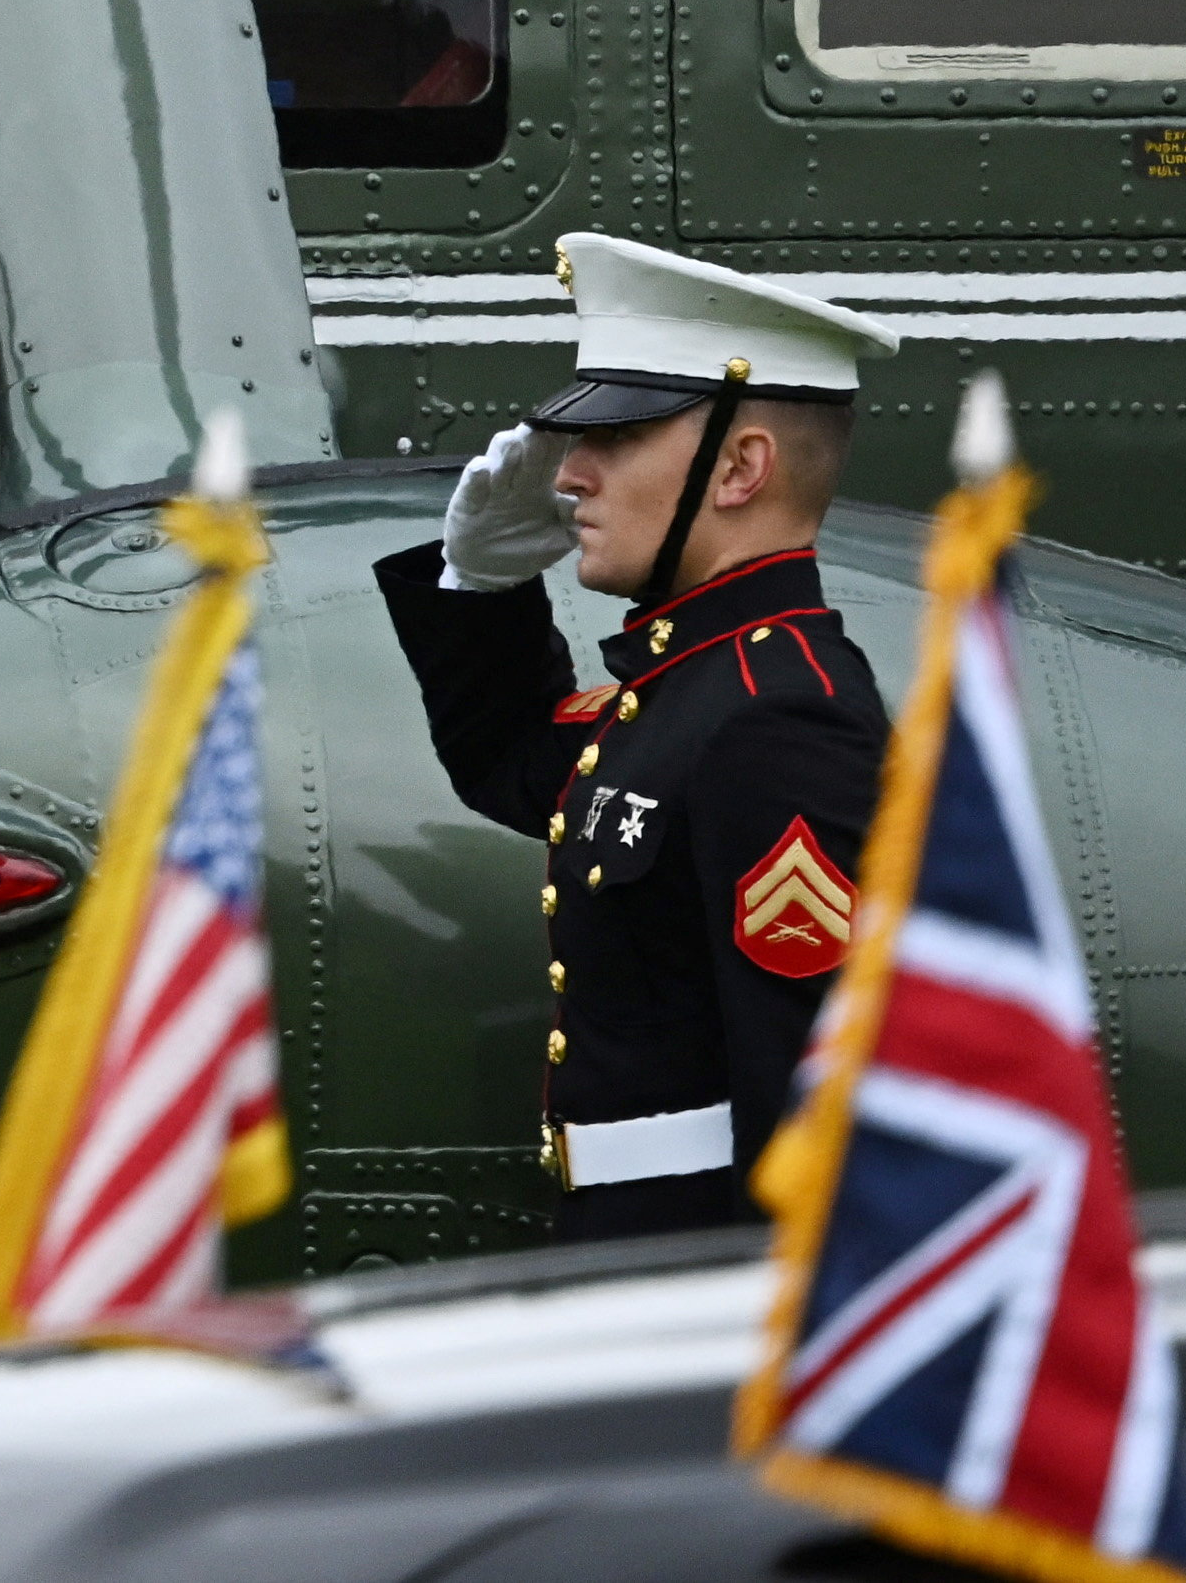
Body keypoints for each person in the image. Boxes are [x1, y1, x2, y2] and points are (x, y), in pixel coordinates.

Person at [373, 230, 894, 1241]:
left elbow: (816, 1105)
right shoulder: (694, 687)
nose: (569, 474)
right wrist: (480, 584)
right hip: (632, 1246)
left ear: (741, 466)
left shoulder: (775, 713)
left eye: (613, 439)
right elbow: (514, 763)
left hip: (696, 1274)